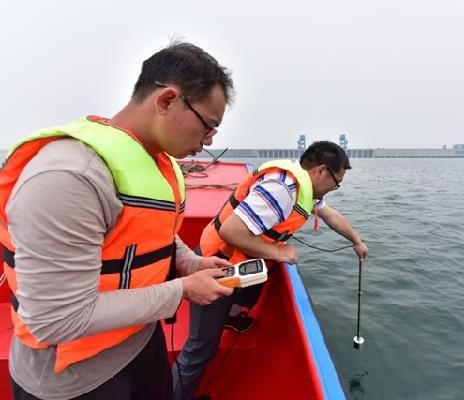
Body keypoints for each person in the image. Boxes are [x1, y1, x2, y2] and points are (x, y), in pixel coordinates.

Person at [0, 41, 236, 400]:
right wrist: (182, 291)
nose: (208, 141)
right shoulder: (70, 177)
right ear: (167, 100)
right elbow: (57, 320)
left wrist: (188, 262)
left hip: (140, 340)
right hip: (74, 380)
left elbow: (155, 231)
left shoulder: (159, 162)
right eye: (208, 126)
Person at [172, 141, 369, 400]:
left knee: (264, 273)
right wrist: (279, 252)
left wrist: (356, 240)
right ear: (321, 171)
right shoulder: (282, 190)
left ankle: (230, 314)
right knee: (200, 351)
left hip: (236, 264)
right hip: (215, 265)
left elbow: (329, 215)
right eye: (336, 181)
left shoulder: (306, 191)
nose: (335, 188)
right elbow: (230, 232)